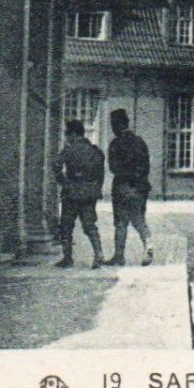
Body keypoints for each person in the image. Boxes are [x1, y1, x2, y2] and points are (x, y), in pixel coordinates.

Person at [104, 109, 154, 266]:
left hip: (122, 187)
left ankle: (119, 256)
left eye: (113, 124)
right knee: (139, 219)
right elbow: (146, 166)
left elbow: (113, 168)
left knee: (120, 223)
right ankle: (148, 243)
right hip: (140, 187)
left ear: (117, 125)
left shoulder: (115, 143)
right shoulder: (140, 142)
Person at [53, 119, 105, 268]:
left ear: (74, 134)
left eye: (67, 134)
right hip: (89, 193)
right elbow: (100, 174)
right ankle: (98, 253)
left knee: (66, 226)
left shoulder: (69, 149)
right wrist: (95, 189)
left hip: (72, 193)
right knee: (90, 225)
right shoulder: (95, 150)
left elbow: (56, 165)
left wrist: (64, 182)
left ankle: (68, 258)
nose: (67, 137)